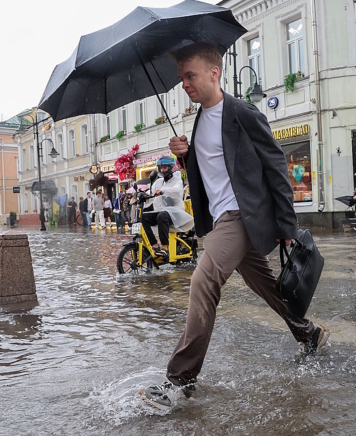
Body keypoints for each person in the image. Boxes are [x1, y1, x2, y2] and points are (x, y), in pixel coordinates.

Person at [141, 42, 329, 411]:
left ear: (214, 73)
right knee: (268, 287)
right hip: (221, 219)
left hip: (243, 215)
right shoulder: (198, 121)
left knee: (202, 281)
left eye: (190, 76)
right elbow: (213, 168)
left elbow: (274, 164)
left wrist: (286, 225)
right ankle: (310, 334)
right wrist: (186, 155)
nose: (184, 85)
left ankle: (180, 381)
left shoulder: (242, 111)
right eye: (181, 78)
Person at [141, 157, 195, 258]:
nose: (162, 170)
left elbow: (177, 190)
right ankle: (154, 245)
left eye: (165, 168)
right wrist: (141, 196)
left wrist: (163, 191)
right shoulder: (159, 182)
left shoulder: (177, 178)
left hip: (175, 213)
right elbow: (151, 193)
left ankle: (165, 248)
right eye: (161, 168)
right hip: (161, 211)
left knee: (162, 216)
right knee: (143, 217)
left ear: (171, 168)